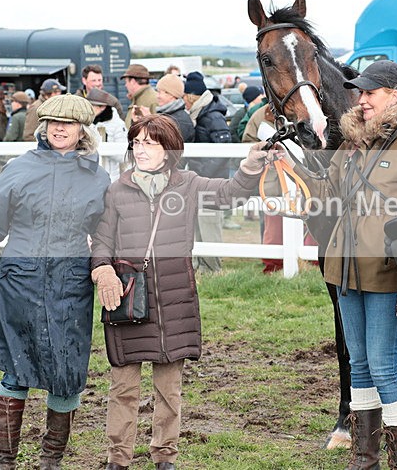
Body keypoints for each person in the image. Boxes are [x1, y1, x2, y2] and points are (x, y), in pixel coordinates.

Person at [0, 94, 112, 469]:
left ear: (83, 130)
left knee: (66, 375)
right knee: (16, 371)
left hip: (70, 286)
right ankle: (3, 462)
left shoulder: (97, 178)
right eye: (53, 122)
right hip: (19, 284)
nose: (60, 129)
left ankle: (51, 462)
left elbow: (108, 232)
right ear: (43, 127)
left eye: (69, 123)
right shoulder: (19, 169)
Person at [91, 115, 271, 470]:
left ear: (169, 150)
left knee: (168, 389)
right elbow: (102, 239)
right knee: (123, 386)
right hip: (128, 298)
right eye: (137, 143)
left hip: (174, 300)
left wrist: (251, 164)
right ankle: (118, 459)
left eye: (150, 143)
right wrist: (102, 269)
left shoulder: (188, 184)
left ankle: (165, 457)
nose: (141, 150)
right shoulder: (117, 189)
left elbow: (228, 193)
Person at [290, 60, 397, 468]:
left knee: (385, 367)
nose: (362, 99)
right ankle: (364, 459)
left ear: (396, 96)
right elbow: (325, 192)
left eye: (370, 92)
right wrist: (293, 161)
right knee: (360, 365)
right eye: (360, 92)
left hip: (388, 274)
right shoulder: (351, 142)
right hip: (343, 268)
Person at [183, 71, 233, 272]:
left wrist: (203, 175)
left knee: (209, 223)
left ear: (191, 97)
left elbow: (224, 148)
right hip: (202, 179)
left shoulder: (212, 116)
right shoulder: (202, 114)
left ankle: (213, 267)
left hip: (212, 181)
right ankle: (203, 265)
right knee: (199, 223)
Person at [87, 87, 129, 182]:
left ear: (102, 107)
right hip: (90, 177)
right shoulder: (88, 123)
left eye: (91, 106)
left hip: (110, 177)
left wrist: (105, 147)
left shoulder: (117, 124)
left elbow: (124, 156)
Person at [155, 73, 195, 143]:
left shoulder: (180, 121)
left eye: (159, 92)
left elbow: (167, 146)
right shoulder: (168, 115)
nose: (157, 96)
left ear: (171, 94)